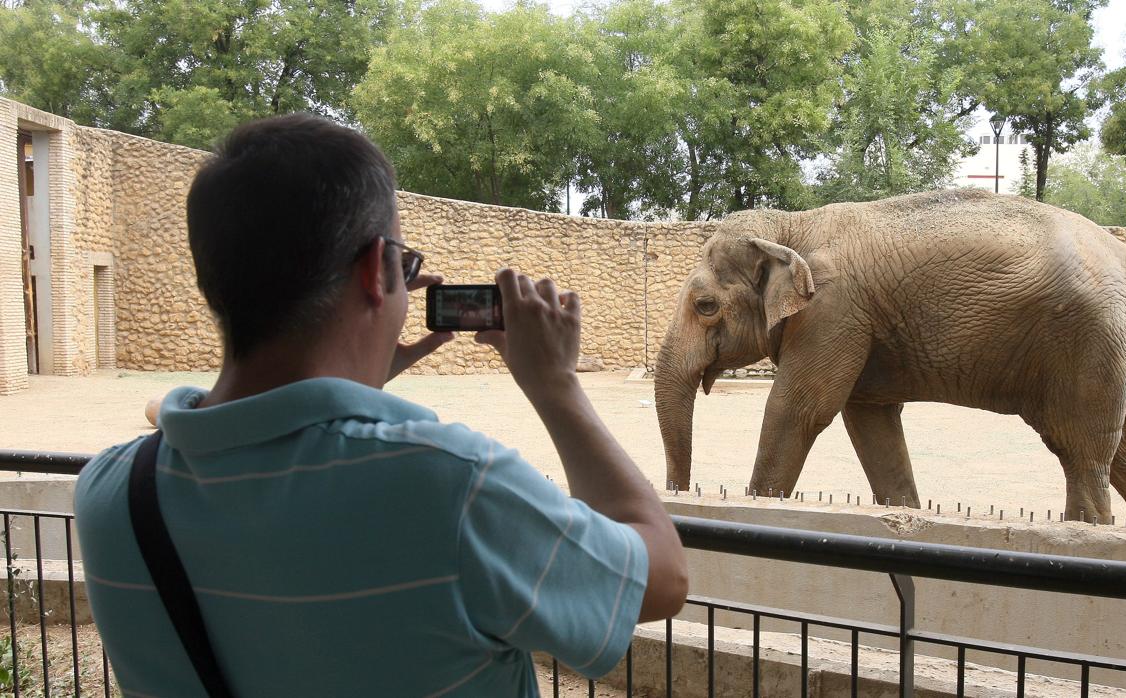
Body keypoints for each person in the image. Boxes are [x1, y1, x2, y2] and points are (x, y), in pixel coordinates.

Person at [74, 114, 688, 697]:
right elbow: (661, 577)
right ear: (376, 269)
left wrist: (357, 383)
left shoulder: (111, 493)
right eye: (404, 260)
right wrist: (556, 387)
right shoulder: (453, 485)